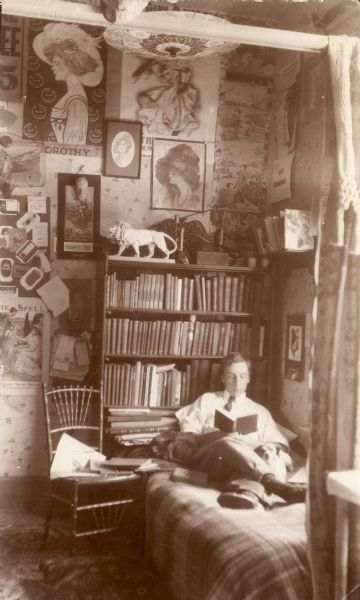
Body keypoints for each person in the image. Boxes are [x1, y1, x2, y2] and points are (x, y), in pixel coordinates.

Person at [151, 353, 306, 508]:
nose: (237, 382)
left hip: (244, 465)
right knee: (227, 442)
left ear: (249, 378)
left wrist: (255, 444)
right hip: (211, 459)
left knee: (271, 454)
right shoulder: (207, 401)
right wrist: (219, 436)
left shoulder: (260, 411)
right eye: (231, 376)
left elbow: (280, 443)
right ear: (223, 378)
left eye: (242, 376)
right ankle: (278, 487)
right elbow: (188, 439)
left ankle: (248, 492)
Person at [33, 23, 103, 145]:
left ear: (71, 65)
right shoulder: (74, 96)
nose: (52, 68)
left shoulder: (76, 100)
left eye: (57, 63)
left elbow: (75, 145)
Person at [155, 143, 202, 210]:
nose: (171, 176)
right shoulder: (168, 191)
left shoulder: (196, 191)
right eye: (171, 172)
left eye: (175, 173)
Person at [65, 175, 94, 241]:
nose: (81, 192)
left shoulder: (89, 206)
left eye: (83, 189)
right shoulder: (71, 206)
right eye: (79, 189)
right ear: (75, 189)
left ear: (87, 189)